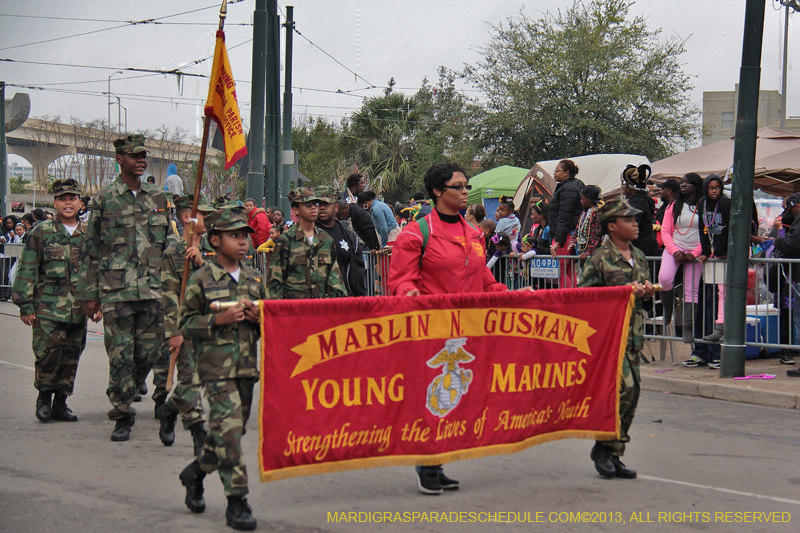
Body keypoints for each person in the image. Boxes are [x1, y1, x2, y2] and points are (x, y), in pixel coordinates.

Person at [388, 162, 514, 495]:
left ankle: (437, 461)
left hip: (467, 331)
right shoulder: (416, 233)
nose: (464, 191)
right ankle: (428, 464)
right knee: (431, 396)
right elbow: (400, 280)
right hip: (431, 330)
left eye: (466, 185)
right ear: (437, 191)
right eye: (457, 186)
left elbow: (485, 282)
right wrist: (409, 294)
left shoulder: (474, 234)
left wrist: (514, 296)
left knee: (457, 396)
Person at [77, 134, 170, 442]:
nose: (141, 160)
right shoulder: (105, 199)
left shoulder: (158, 197)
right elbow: (91, 248)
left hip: (153, 289)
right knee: (120, 356)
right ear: (119, 159)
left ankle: (131, 383)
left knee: (149, 353)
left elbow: (169, 243)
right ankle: (122, 414)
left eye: (144, 155)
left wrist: (191, 243)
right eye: (134, 156)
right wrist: (89, 295)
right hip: (116, 291)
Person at [177, 207, 265, 530]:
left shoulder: (255, 278)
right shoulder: (201, 280)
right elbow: (185, 323)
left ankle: (195, 472)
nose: (243, 242)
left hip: (247, 369)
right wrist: (217, 319)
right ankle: (237, 501)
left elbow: (270, 317)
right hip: (215, 370)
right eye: (234, 236)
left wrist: (259, 317)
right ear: (215, 240)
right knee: (229, 432)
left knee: (230, 433)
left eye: (245, 237)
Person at [578, 197, 655, 480]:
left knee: (632, 396)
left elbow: (642, 301)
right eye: (628, 220)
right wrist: (621, 293)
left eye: (635, 219)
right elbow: (584, 299)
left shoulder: (640, 256)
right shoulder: (599, 258)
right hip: (610, 339)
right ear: (612, 226)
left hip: (633, 337)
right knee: (623, 391)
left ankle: (614, 453)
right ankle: (603, 448)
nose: (635, 224)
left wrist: (646, 294)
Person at [12, 179, 94, 423]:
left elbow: (96, 270)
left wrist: (97, 302)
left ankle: (61, 402)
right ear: (55, 203)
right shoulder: (42, 231)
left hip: (78, 308)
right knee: (47, 354)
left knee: (71, 355)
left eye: (72, 199)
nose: (68, 203)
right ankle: (44, 399)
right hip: (47, 307)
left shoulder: (89, 233)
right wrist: (25, 305)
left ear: (80, 203)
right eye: (62, 199)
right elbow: (28, 268)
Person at [154, 194, 215, 454]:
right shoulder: (173, 253)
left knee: (202, 377)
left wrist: (201, 262)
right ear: (187, 217)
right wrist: (174, 332)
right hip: (186, 326)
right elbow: (168, 295)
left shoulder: (215, 248)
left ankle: (169, 409)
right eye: (203, 213)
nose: (208, 218)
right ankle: (197, 429)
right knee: (190, 377)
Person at [267, 188, 348, 300]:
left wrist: (341, 303)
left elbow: (334, 279)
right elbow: (275, 281)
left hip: (318, 306)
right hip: (293, 307)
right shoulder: (286, 241)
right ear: (296, 210)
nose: (313, 207)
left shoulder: (325, 240)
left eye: (315, 204)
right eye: (308, 205)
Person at [659, 172, 704, 355]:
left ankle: (687, 328)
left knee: (691, 290)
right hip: (674, 248)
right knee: (664, 278)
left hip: (695, 252)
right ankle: (667, 309)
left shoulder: (703, 206)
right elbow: (665, 231)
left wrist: (695, 253)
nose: (683, 185)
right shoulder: (673, 206)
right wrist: (674, 250)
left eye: (687, 182)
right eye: (682, 182)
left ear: (696, 186)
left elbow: (708, 234)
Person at [315, 186, 367, 296]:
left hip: (344, 299)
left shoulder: (348, 235)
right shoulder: (305, 234)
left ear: (336, 207)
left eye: (327, 204)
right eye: (318, 204)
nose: (322, 208)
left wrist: (360, 298)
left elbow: (358, 271)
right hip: (315, 301)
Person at [697, 174, 730, 345]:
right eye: (711, 188)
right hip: (716, 253)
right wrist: (705, 251)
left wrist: (730, 251)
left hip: (730, 253)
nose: (714, 191)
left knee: (732, 291)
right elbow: (702, 228)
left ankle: (728, 327)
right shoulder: (702, 203)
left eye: (717, 187)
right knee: (721, 291)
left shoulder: (725, 203)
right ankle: (721, 327)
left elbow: (732, 228)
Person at [771, 192, 800, 368]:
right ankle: (788, 350)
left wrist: (780, 234)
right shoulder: (790, 218)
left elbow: (790, 245)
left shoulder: (795, 221)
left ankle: (788, 350)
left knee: (793, 315)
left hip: (793, 277)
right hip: (790, 277)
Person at [548, 159, 585, 287]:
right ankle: (573, 296)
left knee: (560, 271)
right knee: (569, 270)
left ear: (566, 173)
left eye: (557, 170)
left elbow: (564, 216)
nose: (554, 173)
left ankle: (568, 298)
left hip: (565, 236)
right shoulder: (577, 184)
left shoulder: (567, 189)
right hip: (571, 234)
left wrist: (558, 240)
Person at [621, 165, 660, 259]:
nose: (624, 187)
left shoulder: (638, 201)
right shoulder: (641, 199)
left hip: (642, 246)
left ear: (631, 186)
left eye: (626, 184)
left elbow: (633, 224)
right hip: (642, 244)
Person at [572, 185, 603, 261]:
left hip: (593, 255)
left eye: (582, 198)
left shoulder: (597, 213)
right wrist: (573, 240)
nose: (580, 201)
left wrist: (588, 252)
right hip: (583, 252)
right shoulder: (584, 213)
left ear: (589, 199)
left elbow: (598, 236)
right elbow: (577, 229)